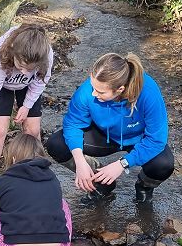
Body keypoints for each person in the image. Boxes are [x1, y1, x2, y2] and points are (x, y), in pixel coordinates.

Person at [45, 52, 174, 205]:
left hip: (139, 138)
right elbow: (73, 124)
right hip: (104, 135)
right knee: (56, 144)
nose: (93, 93)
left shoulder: (148, 92)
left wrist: (121, 164)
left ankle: (144, 187)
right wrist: (80, 162)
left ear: (120, 89)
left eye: (100, 92)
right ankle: (100, 181)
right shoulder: (87, 92)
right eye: (93, 87)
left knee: (163, 164)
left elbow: (156, 139)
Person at [0, 24, 54, 179]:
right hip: (2, 85)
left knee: (32, 131)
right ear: (14, 52)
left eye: (29, 69)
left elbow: (39, 84)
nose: (24, 72)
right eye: (21, 66)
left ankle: (38, 176)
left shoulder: (46, 57)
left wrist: (26, 106)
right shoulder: (0, 58)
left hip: (29, 87)